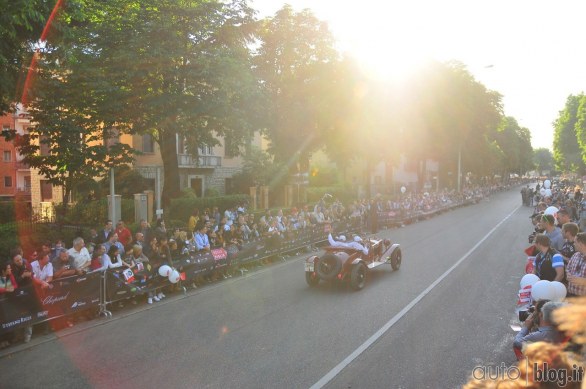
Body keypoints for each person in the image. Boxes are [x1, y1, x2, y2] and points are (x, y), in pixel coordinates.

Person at [566, 232, 586, 297]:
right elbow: (568, 269)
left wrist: (583, 281)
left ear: (580, 244)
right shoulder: (575, 255)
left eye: (575, 242)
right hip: (571, 295)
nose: (573, 244)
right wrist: (568, 275)